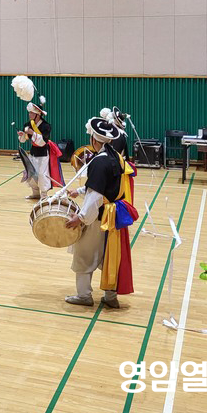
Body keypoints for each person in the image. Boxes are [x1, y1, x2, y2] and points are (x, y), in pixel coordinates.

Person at [64, 117, 137, 308]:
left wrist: (80, 218)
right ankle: (111, 297)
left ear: (94, 140)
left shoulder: (98, 162)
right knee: (109, 255)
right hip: (113, 217)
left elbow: (96, 196)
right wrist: (80, 191)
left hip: (98, 217)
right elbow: (107, 186)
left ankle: (84, 295)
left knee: (83, 255)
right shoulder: (116, 157)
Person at [18, 101, 62, 200]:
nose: (29, 114)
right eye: (29, 112)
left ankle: (44, 195)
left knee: (42, 174)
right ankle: (35, 193)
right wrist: (22, 135)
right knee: (31, 173)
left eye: (31, 113)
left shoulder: (46, 126)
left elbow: (42, 142)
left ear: (38, 115)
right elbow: (23, 140)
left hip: (43, 153)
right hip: (33, 153)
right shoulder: (28, 124)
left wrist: (32, 133)